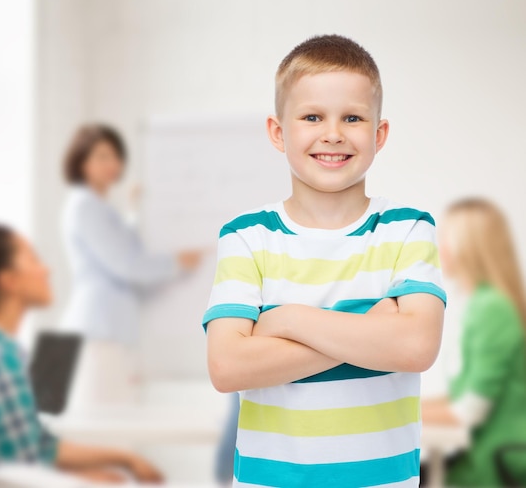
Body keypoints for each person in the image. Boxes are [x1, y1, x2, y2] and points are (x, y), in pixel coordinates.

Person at [203, 35, 445, 487]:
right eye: (312, 116)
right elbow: (228, 367)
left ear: (379, 134)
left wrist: (285, 320)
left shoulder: (408, 229)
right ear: (279, 132)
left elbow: (415, 348)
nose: (332, 133)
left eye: (352, 118)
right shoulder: (246, 237)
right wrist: (369, 332)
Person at [0, 223, 163, 483]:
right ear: (8, 281)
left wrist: (123, 458)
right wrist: (98, 479)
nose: (46, 269)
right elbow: (21, 476)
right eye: (32, 259)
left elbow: (39, 448)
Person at [60, 123, 201, 406]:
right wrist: (177, 262)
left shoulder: (96, 206)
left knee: (107, 422)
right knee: (102, 427)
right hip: (95, 332)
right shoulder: (84, 205)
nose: (113, 163)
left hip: (101, 332)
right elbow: (127, 263)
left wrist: (135, 210)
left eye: (116, 156)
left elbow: (123, 248)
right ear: (82, 162)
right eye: (102, 156)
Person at [422, 198, 526, 487]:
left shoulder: (492, 308)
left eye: (445, 238)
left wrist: (398, 415)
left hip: (496, 463)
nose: (438, 249)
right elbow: (461, 396)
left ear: (469, 247)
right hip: (481, 459)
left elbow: (468, 411)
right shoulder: (481, 303)